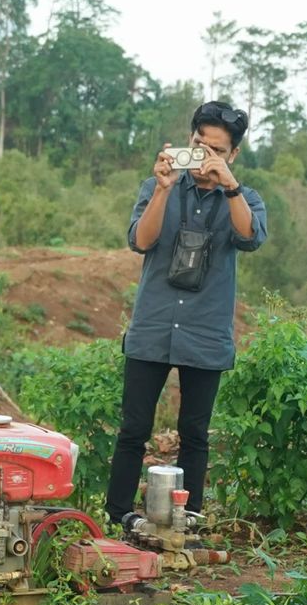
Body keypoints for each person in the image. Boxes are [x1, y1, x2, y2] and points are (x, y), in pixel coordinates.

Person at [105, 101, 267, 530]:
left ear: (233, 154)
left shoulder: (245, 198)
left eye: (216, 150)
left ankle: (187, 519)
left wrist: (229, 187)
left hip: (205, 331)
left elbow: (250, 238)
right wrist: (162, 189)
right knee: (133, 429)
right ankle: (117, 516)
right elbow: (141, 241)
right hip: (153, 325)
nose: (203, 156)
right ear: (188, 139)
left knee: (194, 434)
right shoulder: (157, 185)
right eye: (198, 144)